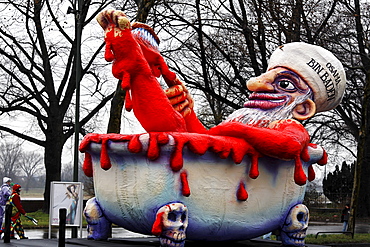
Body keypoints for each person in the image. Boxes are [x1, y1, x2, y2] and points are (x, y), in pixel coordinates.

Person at [96, 10, 346, 185]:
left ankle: (138, 63)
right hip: (207, 182)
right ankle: (137, 65)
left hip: (230, 193)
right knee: (172, 128)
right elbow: (201, 139)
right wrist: (187, 113)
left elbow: (288, 146)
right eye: (264, 76)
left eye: (282, 83)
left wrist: (233, 129)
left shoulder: (289, 127)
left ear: (303, 108)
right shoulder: (247, 123)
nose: (256, 84)